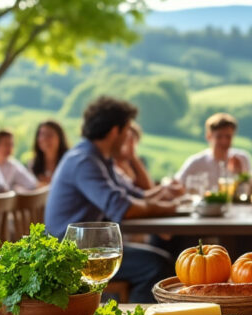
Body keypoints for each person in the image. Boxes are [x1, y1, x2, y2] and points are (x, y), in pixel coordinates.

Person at [44, 96, 178, 302]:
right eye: (126, 131)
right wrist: (169, 208)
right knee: (156, 265)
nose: (127, 138)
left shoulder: (97, 158)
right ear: (115, 131)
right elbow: (124, 207)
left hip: (87, 246)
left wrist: (168, 200)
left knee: (162, 256)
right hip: (69, 253)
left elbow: (134, 195)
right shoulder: (84, 161)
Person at [175, 112, 252, 189]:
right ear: (209, 136)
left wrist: (240, 173)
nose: (224, 141)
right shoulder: (196, 162)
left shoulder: (242, 158)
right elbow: (177, 184)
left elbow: (250, 189)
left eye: (228, 137)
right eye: (219, 137)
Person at [114, 122, 154, 192]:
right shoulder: (109, 163)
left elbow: (148, 188)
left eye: (133, 143)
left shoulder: (136, 164)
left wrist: (133, 157)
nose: (130, 146)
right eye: (127, 140)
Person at [30, 120, 69, 186]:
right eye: (42, 134)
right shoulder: (33, 164)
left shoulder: (69, 163)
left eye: (49, 135)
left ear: (60, 138)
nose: (44, 138)